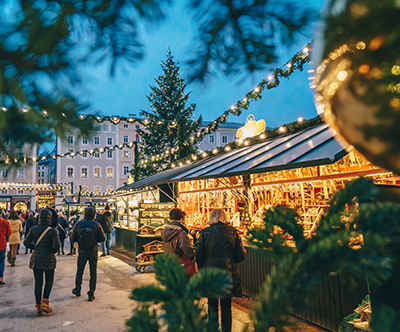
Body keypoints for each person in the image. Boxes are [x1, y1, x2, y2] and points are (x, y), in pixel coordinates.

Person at [196, 209, 246, 332]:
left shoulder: (205, 233)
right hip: (228, 273)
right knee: (226, 306)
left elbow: (199, 255)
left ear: (211, 218)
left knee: (212, 305)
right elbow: (240, 256)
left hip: (211, 274)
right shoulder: (234, 232)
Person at [24, 208, 60, 316]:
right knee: (49, 281)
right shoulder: (53, 231)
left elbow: (26, 243)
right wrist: (50, 250)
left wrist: (35, 247)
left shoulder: (34, 229)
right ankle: (45, 301)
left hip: (37, 258)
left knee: (38, 283)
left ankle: (38, 306)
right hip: (49, 259)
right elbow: (56, 247)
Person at [71, 206, 105, 301]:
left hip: (82, 251)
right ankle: (91, 293)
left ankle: (78, 290)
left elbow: (72, 238)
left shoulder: (78, 224)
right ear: (94, 214)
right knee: (93, 272)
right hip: (93, 250)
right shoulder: (96, 224)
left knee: (80, 271)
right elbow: (102, 238)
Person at [0, 210, 12, 285]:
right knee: (1, 261)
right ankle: (0, 277)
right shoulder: (5, 222)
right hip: (1, 244)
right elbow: (9, 233)